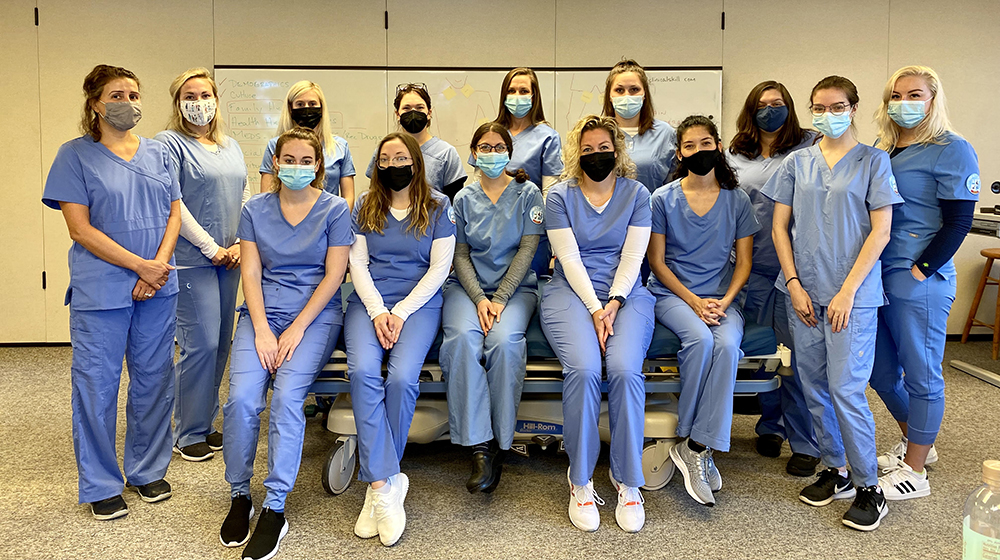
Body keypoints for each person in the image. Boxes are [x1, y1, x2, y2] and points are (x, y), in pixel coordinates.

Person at [764, 76, 902, 532]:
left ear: (854, 108)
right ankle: (835, 468)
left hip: (852, 297)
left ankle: (868, 486)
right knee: (814, 384)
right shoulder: (797, 163)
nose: (829, 113)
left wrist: (847, 291)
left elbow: (880, 232)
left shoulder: (874, 162)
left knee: (846, 388)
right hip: (802, 293)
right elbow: (780, 228)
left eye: (838, 105)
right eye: (819, 107)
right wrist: (794, 282)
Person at [42, 64, 180, 520]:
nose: (128, 102)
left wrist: (156, 267)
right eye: (117, 95)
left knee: (155, 380)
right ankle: (100, 482)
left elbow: (174, 213)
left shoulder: (159, 152)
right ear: (96, 104)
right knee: (97, 386)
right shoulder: (74, 155)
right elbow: (79, 230)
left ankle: (146, 470)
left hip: (158, 286)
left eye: (134, 94)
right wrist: (140, 265)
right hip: (102, 290)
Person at [219, 128, 353, 560]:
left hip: (314, 315)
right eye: (288, 159)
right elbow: (252, 273)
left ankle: (275, 507)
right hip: (262, 311)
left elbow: (335, 275)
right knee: (241, 400)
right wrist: (261, 328)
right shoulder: (254, 209)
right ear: (275, 163)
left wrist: (295, 329)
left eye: (305, 160)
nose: (297, 167)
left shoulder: (334, 210)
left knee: (287, 399)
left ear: (319, 166)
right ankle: (241, 494)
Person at [869, 66, 979, 501]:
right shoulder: (885, 146)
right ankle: (918, 443)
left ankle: (914, 471)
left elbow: (958, 222)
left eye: (915, 95)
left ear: (933, 99)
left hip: (919, 278)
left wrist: (921, 270)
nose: (904, 103)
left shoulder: (952, 149)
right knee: (879, 372)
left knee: (921, 374)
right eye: (896, 96)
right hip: (875, 276)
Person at [540, 115, 654, 533]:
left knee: (625, 370)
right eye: (586, 150)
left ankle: (628, 480)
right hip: (571, 291)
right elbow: (568, 260)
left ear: (617, 150)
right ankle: (581, 479)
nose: (595, 156)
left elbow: (633, 256)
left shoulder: (638, 194)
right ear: (575, 155)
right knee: (585, 369)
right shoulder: (558, 197)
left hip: (626, 293)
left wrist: (615, 302)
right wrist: (594, 307)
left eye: (603, 148)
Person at [348, 132, 456, 546]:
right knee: (361, 372)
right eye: (385, 158)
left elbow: (439, 268)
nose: (394, 165)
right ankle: (384, 487)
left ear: (416, 161)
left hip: (419, 304)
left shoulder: (438, 206)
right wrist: (378, 311)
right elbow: (357, 264)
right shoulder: (364, 205)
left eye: (401, 157)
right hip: (368, 301)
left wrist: (400, 312)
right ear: (377, 165)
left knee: (402, 377)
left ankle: (381, 478)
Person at [648, 115, 759, 507]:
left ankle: (695, 445)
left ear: (718, 146)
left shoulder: (737, 200)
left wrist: (724, 302)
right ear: (679, 152)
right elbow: (658, 264)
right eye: (690, 145)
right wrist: (694, 302)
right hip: (672, 295)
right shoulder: (662, 199)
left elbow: (743, 263)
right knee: (697, 340)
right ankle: (696, 442)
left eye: (706, 143)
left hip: (721, 298)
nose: (699, 151)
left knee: (727, 347)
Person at [154, 67, 251, 462]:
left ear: (216, 99)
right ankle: (187, 429)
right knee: (201, 343)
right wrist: (212, 248)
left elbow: (244, 192)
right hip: (193, 260)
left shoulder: (229, 145)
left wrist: (243, 242)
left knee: (222, 342)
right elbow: (174, 205)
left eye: (205, 95)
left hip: (231, 260)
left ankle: (206, 421)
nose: (199, 103)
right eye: (189, 96)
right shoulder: (168, 144)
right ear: (178, 103)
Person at [441, 122, 544, 493]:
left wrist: (499, 299)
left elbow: (527, 251)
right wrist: (481, 299)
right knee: (462, 342)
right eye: (484, 147)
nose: (492, 153)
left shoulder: (528, 193)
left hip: (515, 291)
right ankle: (479, 446)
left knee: (503, 343)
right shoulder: (463, 199)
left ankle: (501, 441)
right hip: (467, 290)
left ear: (509, 152)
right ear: (473, 153)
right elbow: (460, 255)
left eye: (499, 146)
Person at [728, 81, 822, 477]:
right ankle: (768, 425)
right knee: (752, 353)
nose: (770, 110)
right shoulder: (735, 152)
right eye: (762, 105)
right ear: (751, 110)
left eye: (778, 104)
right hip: (744, 268)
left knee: (796, 361)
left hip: (792, 272)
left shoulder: (809, 146)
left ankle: (803, 441)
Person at [259, 81, 356, 207]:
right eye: (300, 104)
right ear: (290, 109)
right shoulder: (275, 145)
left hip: (329, 220)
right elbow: (266, 195)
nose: (306, 109)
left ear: (321, 108)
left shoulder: (340, 146)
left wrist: (337, 221)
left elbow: (348, 197)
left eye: (312, 104)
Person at [365, 83, 467, 199]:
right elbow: (376, 191)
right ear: (397, 114)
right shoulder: (385, 151)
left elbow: (454, 202)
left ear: (429, 113)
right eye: (406, 108)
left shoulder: (446, 153)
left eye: (419, 108)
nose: (413, 113)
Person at [602, 59, 677, 193]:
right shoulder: (597, 133)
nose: (627, 96)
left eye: (634, 90)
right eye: (619, 90)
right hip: (606, 212)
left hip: (652, 212)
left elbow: (675, 186)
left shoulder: (665, 133)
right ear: (609, 96)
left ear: (644, 95)